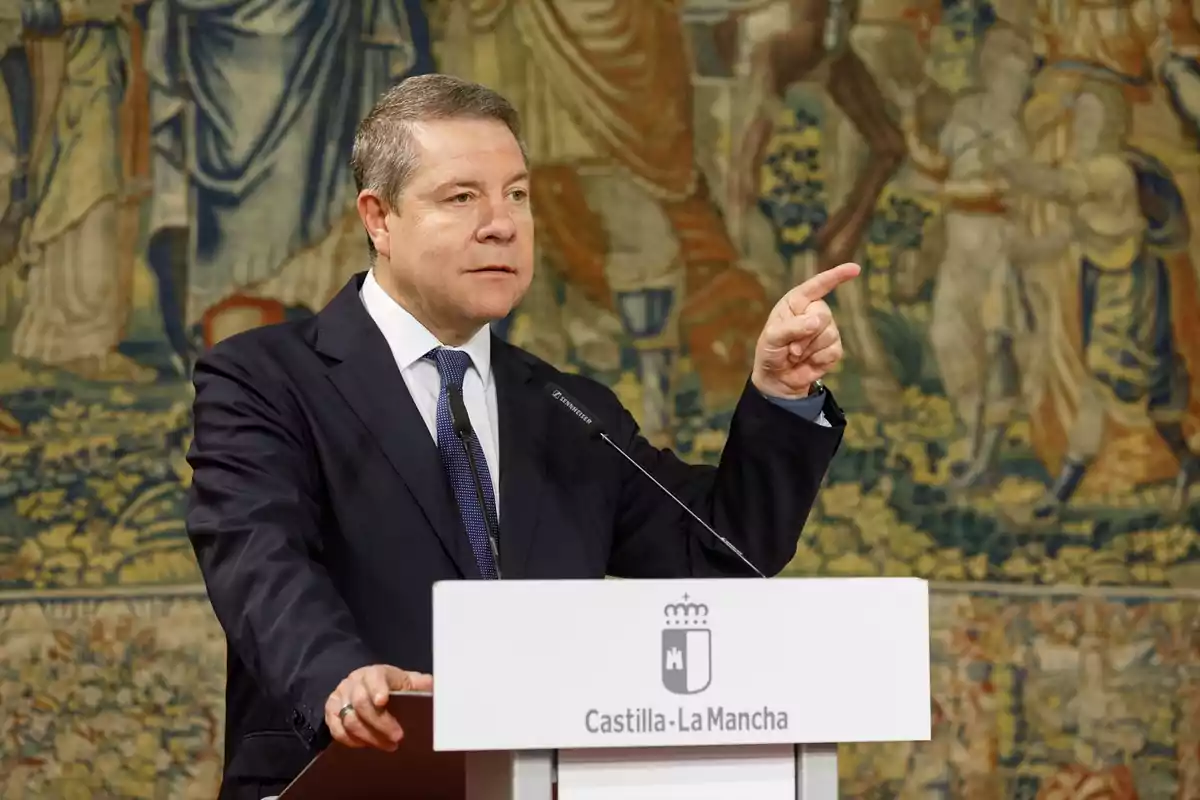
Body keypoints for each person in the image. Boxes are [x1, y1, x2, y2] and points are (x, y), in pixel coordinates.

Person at [185, 73, 859, 799]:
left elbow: (722, 547)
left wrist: (781, 399)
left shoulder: (569, 409)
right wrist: (337, 680)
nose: (502, 223)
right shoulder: (263, 378)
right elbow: (259, 556)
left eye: (517, 195)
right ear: (378, 218)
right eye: (462, 197)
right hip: (345, 775)